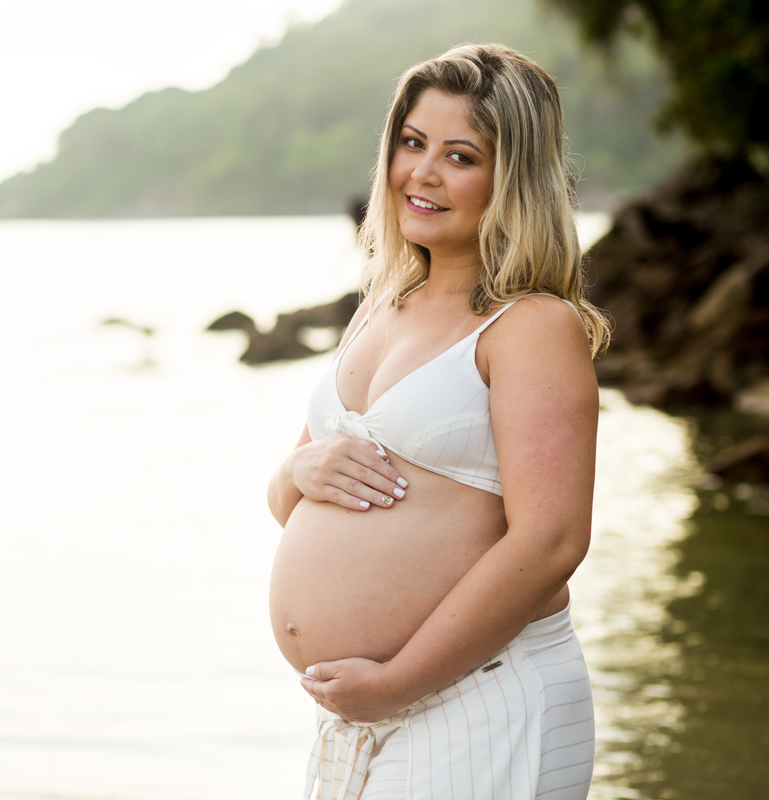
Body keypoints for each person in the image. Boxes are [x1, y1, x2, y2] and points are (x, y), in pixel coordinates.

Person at [266, 43, 610, 800]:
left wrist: (398, 682)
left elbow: (552, 542)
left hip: (482, 699)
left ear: (512, 179)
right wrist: (297, 468)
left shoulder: (531, 326)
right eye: (412, 142)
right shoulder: (379, 306)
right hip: (368, 714)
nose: (422, 173)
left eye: (460, 156)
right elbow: (290, 502)